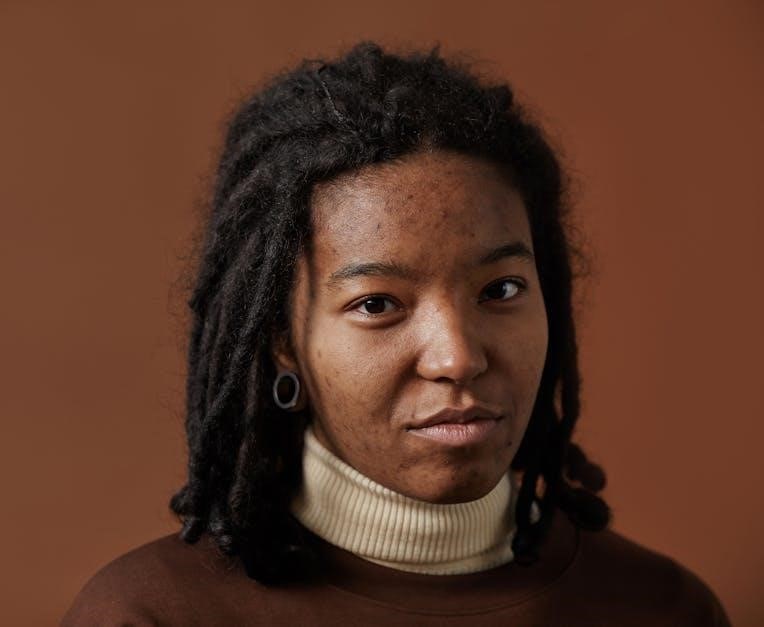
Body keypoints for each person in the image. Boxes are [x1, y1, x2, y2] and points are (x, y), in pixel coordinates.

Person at [60, 41, 730, 626]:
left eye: (500, 290)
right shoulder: (152, 614)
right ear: (283, 340)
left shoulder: (663, 609)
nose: (457, 357)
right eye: (378, 303)